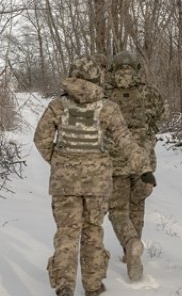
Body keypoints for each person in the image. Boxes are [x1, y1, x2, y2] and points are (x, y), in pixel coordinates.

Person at [34, 55, 149, 296]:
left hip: (64, 184)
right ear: (97, 77)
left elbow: (41, 139)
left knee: (66, 232)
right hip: (97, 184)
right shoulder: (107, 107)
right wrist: (144, 169)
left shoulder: (58, 106)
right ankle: (93, 287)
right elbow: (125, 142)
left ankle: (65, 287)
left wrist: (58, 161)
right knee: (93, 231)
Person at [102, 50, 165, 282]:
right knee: (137, 205)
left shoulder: (105, 93)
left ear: (113, 69)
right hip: (143, 161)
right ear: (137, 68)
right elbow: (161, 115)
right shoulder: (149, 93)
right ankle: (132, 252)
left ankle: (130, 245)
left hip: (114, 160)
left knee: (118, 209)